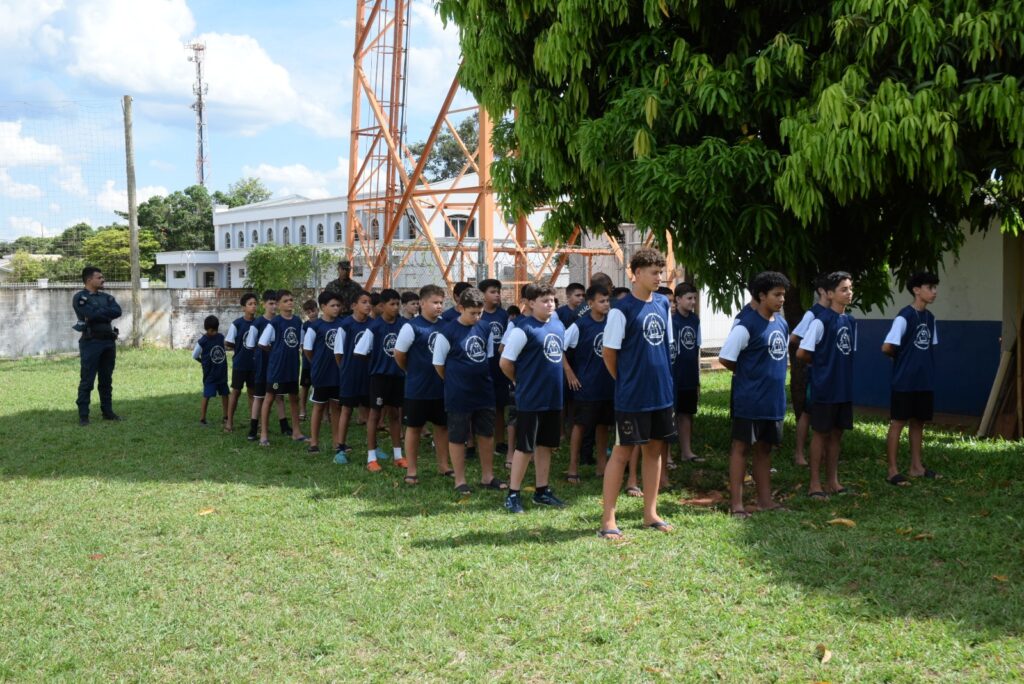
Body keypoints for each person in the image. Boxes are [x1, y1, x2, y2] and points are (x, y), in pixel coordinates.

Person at [598, 248, 676, 539]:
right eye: (654, 272)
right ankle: (608, 519)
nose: (659, 277)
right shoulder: (622, 309)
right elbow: (609, 354)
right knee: (622, 453)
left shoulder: (662, 305)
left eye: (661, 272)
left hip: (661, 394)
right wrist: (626, 381)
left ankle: (650, 513)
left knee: (654, 451)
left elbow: (664, 348)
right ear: (637, 273)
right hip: (632, 396)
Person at [718, 271, 791, 518]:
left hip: (773, 400)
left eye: (783, 295)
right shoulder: (746, 324)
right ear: (762, 295)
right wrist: (749, 373)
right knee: (741, 448)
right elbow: (726, 357)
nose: (781, 300)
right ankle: (736, 504)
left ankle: (764, 500)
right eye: (777, 295)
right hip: (750, 399)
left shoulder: (781, 323)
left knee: (765, 449)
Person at [500, 283, 567, 513]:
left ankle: (542, 490)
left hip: (553, 397)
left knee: (545, 445)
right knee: (525, 447)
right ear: (530, 303)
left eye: (552, 300)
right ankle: (513, 493)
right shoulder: (523, 329)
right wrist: (519, 381)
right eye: (544, 301)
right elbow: (505, 362)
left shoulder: (558, 325)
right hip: (531, 397)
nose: (550, 304)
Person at [432, 287, 506, 495]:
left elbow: (488, 356)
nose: (476, 317)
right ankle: (460, 480)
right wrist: (454, 380)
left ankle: (487, 476)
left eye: (479, 313)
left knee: (486, 433)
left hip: (483, 391)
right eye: (472, 313)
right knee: (457, 436)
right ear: (460, 308)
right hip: (458, 394)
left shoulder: (485, 328)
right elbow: (439, 364)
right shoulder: (447, 332)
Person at [798, 271, 857, 498]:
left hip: (843, 388)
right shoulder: (821, 321)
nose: (849, 293)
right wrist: (822, 364)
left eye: (850, 288)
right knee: (821, 434)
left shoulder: (851, 322)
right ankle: (815, 484)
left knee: (837, 435)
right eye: (844, 289)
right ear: (830, 294)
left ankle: (833, 481)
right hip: (824, 388)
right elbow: (803, 351)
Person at [883, 271, 941, 484]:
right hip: (904, 381)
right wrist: (902, 361)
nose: (934, 292)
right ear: (917, 290)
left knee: (919, 422)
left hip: (924, 380)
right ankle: (892, 470)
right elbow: (887, 347)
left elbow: (930, 347)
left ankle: (917, 466)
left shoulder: (930, 318)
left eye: (935, 288)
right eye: (930, 287)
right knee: (898, 422)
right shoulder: (904, 316)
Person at [394, 284, 452, 484]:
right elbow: (399, 355)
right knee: (414, 428)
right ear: (422, 303)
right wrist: (411, 371)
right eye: (435, 302)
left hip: (441, 388)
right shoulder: (411, 327)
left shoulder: (446, 325)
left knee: (442, 427)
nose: (439, 307)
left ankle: (444, 465)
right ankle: (411, 469)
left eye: (441, 303)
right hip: (417, 388)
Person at [563, 284, 614, 482]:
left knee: (603, 425)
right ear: (590, 303)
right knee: (581, 425)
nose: (606, 304)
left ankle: (602, 466)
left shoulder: (611, 323)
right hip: (586, 386)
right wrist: (569, 372)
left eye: (608, 300)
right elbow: (559, 347)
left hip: (607, 385)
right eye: (601, 301)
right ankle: (573, 467)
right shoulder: (580, 325)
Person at [354, 289, 407, 472]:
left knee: (394, 414)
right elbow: (359, 352)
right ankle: (371, 457)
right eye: (391, 304)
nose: (395, 307)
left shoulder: (403, 325)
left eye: (397, 304)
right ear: (382, 306)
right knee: (374, 415)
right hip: (379, 378)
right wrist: (376, 362)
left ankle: (398, 455)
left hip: (398, 376)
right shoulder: (374, 328)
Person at [73, 266, 122, 425]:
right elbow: (91, 314)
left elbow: (117, 311)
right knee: (87, 379)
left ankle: (107, 412)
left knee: (106, 379)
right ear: (89, 280)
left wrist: (98, 312)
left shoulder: (107, 297)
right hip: (91, 342)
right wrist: (102, 312)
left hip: (108, 341)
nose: (103, 280)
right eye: (99, 277)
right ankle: (84, 415)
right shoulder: (80, 297)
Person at [257, 290, 307, 445]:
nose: (290, 303)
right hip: (277, 368)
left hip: (292, 367)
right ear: (278, 305)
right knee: (270, 397)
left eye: (291, 300)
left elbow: (301, 344)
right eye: (286, 301)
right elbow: (262, 343)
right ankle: (264, 434)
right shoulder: (275, 323)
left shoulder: (298, 321)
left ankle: (296, 432)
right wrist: (276, 353)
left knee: (294, 398)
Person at [789, 274, 829, 466]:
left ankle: (823, 453)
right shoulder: (813, 314)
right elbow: (794, 338)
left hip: (831, 372)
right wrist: (813, 354)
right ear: (822, 291)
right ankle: (799, 453)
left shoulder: (837, 314)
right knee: (808, 411)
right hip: (815, 371)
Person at [332, 290, 373, 463]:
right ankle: (340, 447)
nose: (368, 305)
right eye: (364, 302)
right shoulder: (345, 325)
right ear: (354, 305)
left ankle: (373, 448)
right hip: (350, 374)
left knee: (371, 412)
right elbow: (338, 353)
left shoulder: (373, 324)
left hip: (369, 374)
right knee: (347, 410)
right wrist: (346, 369)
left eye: (369, 302)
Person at [244, 290, 290, 441]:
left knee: (279, 396)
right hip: (262, 366)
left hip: (277, 366)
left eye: (275, 303)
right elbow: (250, 345)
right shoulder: (257, 323)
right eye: (270, 303)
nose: (274, 306)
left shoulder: (279, 321)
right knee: (259, 397)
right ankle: (253, 428)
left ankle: (284, 425)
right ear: (263, 304)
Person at [302, 291, 344, 454]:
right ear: (323, 307)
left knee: (336, 408)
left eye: (338, 305)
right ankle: (314, 442)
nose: (336, 308)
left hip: (338, 373)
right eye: (332, 305)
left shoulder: (342, 324)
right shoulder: (315, 326)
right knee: (319, 407)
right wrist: (317, 363)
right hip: (321, 373)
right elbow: (307, 349)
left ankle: (337, 442)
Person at [672, 282, 704, 464]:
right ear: (678, 299)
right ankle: (666, 455)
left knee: (686, 414)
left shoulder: (695, 320)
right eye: (689, 298)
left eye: (694, 298)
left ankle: (686, 451)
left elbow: (697, 347)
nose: (693, 302)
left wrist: (697, 377)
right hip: (675, 375)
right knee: (671, 414)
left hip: (690, 374)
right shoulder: (672, 320)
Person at [479, 278, 511, 457]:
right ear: (482, 295)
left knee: (500, 406)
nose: (497, 295)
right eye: (492, 291)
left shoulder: (503, 315)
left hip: (499, 367)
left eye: (498, 291)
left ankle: (500, 441)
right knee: (479, 406)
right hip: (481, 366)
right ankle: (473, 442)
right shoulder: (478, 315)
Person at [224, 292, 258, 432]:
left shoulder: (259, 323)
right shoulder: (237, 324)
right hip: (240, 364)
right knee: (236, 392)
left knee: (253, 393)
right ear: (243, 307)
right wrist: (238, 347)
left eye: (255, 304)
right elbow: (228, 342)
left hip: (255, 365)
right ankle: (229, 422)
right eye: (250, 304)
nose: (253, 307)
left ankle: (254, 421)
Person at [193, 315, 229, 427]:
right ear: (206, 329)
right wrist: (203, 362)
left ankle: (226, 416)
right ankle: (202, 419)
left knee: (225, 394)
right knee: (207, 395)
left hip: (222, 373)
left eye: (215, 330)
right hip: (210, 375)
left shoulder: (221, 337)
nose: (214, 333)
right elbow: (194, 355)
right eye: (211, 330)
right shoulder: (202, 341)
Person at [298, 299, 318, 421]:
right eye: (308, 312)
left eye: (313, 310)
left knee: (321, 387)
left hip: (320, 362)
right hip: (307, 362)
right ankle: (302, 409)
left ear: (318, 309)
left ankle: (325, 413)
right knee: (305, 386)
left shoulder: (322, 323)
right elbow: (302, 344)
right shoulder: (304, 326)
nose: (311, 313)